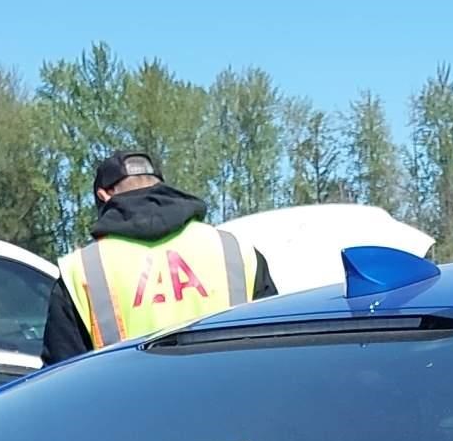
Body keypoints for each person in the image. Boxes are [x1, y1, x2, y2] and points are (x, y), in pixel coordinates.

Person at [40, 149, 276, 363]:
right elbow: (275, 347)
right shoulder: (234, 249)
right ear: (161, 186)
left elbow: (62, 377)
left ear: (103, 196)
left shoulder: (84, 269)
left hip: (132, 408)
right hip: (233, 405)